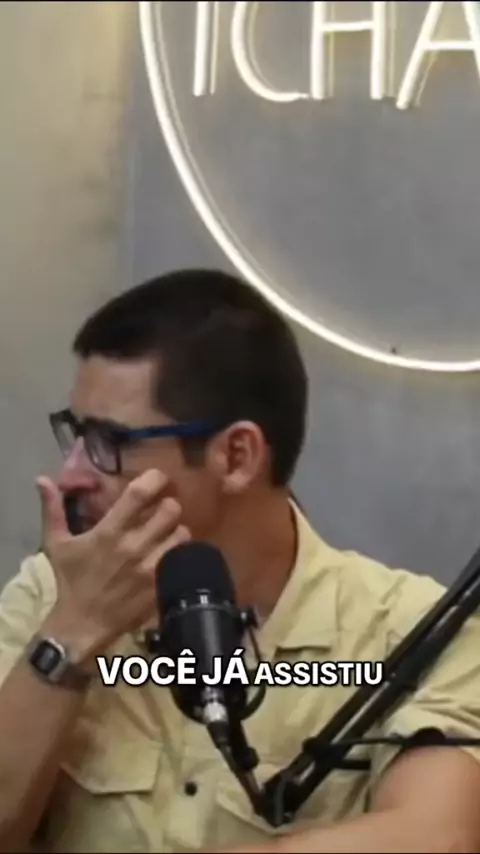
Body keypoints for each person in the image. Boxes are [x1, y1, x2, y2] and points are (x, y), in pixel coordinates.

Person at [0, 268, 479, 854]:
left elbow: (436, 838)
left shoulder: (407, 632)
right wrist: (72, 635)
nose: (71, 474)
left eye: (109, 443)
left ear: (236, 456)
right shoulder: (51, 596)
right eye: (75, 435)